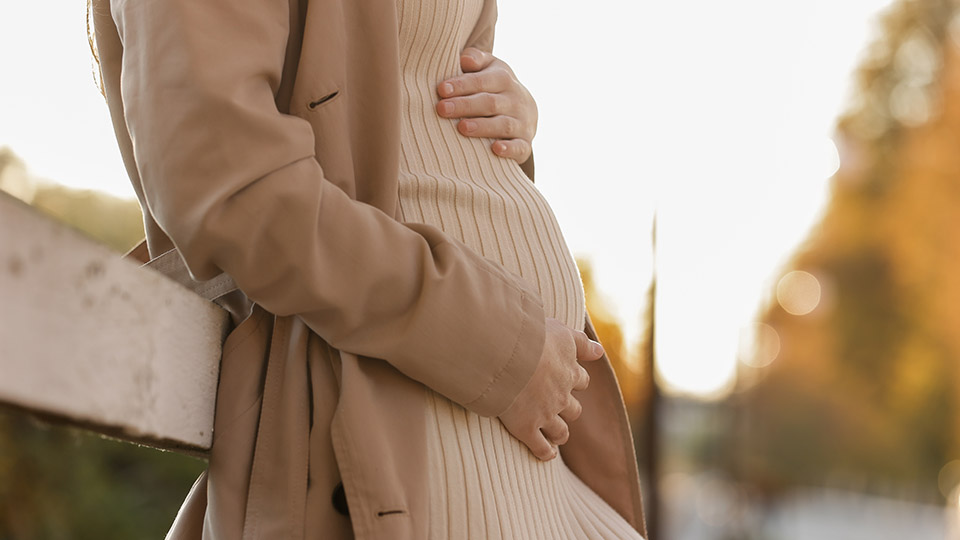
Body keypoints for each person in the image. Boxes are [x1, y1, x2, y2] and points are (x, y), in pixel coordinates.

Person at [91, 0, 647, 537]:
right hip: (401, 421)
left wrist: (503, 115)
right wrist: (499, 343)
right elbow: (230, 186)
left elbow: (405, 115)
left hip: (520, 436)